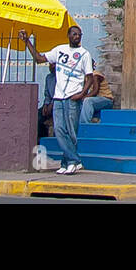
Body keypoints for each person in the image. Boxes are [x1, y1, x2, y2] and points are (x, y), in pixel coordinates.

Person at [21, 25, 97, 175]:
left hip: (72, 98)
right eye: (74, 34)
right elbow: (39, 59)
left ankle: (67, 162)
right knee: (59, 130)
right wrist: (27, 42)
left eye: (79, 34)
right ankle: (74, 160)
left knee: (71, 132)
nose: (77, 36)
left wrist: (81, 94)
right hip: (58, 98)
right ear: (68, 35)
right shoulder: (59, 50)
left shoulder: (84, 54)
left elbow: (89, 77)